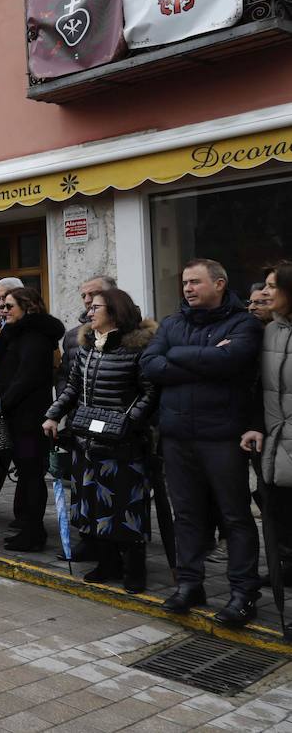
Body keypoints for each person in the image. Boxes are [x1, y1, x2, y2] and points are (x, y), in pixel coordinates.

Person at [140, 258, 263, 625]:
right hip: (177, 436)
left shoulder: (243, 323)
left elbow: (232, 362)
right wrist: (207, 359)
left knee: (234, 516)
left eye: (195, 282)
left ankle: (243, 594)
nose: (188, 288)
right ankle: (190, 584)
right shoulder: (173, 323)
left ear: (220, 284)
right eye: (185, 283)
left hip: (222, 436)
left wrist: (174, 358)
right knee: (187, 515)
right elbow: (149, 363)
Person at [44, 289, 158, 592]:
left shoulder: (138, 349)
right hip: (88, 440)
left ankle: (135, 569)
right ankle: (107, 564)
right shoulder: (88, 348)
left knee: (126, 507)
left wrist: (127, 422)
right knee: (94, 505)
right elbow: (71, 388)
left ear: (115, 311)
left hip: (124, 445)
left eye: (96, 308)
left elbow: (150, 392)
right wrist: (54, 414)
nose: (89, 313)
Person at [0, 286, 64, 552]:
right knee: (25, 472)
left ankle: (33, 532)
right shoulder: (15, 332)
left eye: (9, 306)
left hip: (29, 421)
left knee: (31, 475)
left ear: (28, 307)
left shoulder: (36, 336)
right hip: (13, 418)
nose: (3, 310)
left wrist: (0, 402)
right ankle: (29, 530)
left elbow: (26, 379)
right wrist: (6, 329)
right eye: (1, 306)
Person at [259, 262, 292, 575]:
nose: (265, 292)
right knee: (282, 521)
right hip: (276, 446)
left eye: (272, 286)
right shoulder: (269, 331)